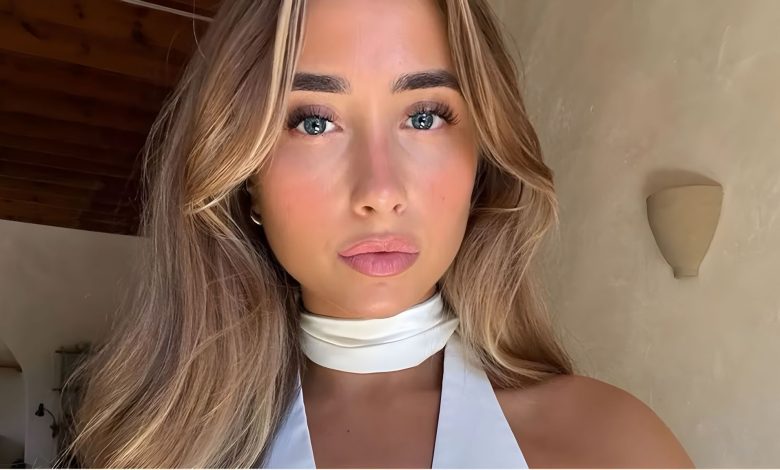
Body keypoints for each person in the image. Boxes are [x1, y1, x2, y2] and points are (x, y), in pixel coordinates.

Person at [62, 0, 694, 468]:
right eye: (313, 123)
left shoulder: (613, 446)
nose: (379, 189)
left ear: (483, 157)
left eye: (424, 117)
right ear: (245, 176)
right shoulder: (156, 451)